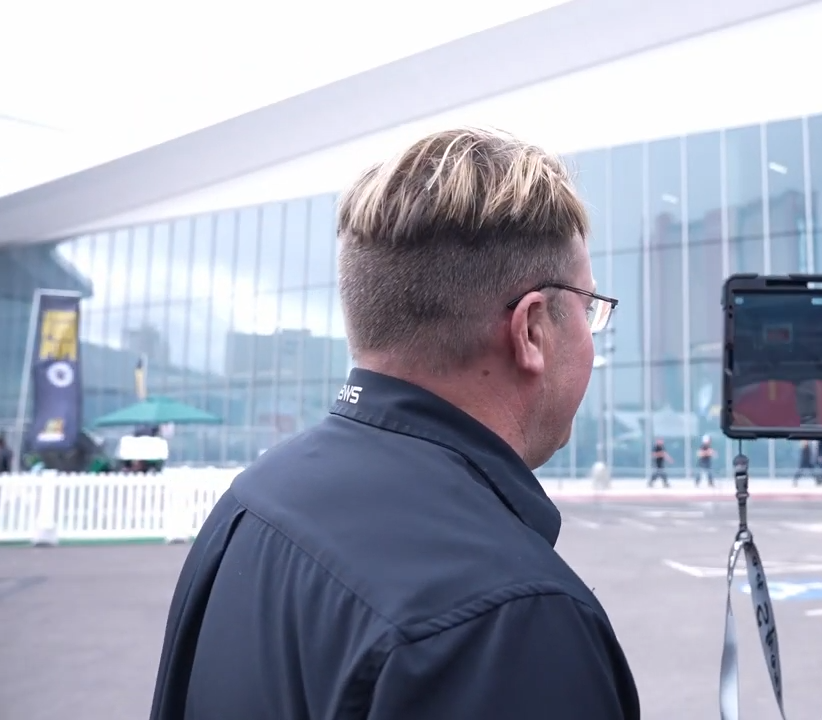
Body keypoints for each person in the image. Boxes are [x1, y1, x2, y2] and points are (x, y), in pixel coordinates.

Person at [149, 127, 639, 719]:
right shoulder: (510, 618)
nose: (593, 338)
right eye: (588, 308)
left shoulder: (254, 499)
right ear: (531, 330)